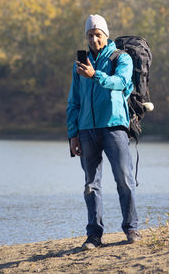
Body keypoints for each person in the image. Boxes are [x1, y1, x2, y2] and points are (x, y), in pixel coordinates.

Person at [66, 14, 141, 250]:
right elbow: (73, 102)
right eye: (90, 35)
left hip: (114, 127)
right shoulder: (80, 65)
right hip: (87, 130)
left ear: (106, 36)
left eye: (98, 34)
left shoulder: (122, 58)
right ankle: (94, 235)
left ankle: (131, 229)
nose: (93, 39)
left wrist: (95, 75)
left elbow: (120, 82)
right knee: (91, 185)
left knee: (124, 180)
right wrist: (73, 134)